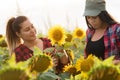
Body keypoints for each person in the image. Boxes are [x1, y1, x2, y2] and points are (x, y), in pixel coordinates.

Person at [5, 16, 70, 74]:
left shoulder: (49, 42)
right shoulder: (18, 53)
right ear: (18, 34)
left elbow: (65, 66)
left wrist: (61, 48)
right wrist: (47, 66)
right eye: (27, 29)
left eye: (32, 26)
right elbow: (21, 76)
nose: (32, 30)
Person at [83, 0, 120, 64]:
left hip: (113, 72)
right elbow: (86, 58)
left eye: (94, 17)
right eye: (88, 17)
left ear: (102, 15)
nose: (91, 21)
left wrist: (113, 63)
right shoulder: (89, 32)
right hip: (92, 73)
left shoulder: (116, 30)